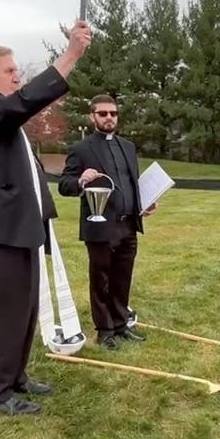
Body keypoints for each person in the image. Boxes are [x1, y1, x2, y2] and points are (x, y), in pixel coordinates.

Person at [0, 22, 92, 416]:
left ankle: (15, 377)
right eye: (9, 71)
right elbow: (22, 102)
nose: (17, 76)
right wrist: (70, 56)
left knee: (25, 308)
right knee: (6, 313)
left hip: (17, 230)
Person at [57, 94, 155, 351]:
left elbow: (132, 184)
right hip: (99, 225)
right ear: (93, 117)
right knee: (101, 280)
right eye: (103, 113)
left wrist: (144, 203)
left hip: (128, 225)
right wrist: (81, 180)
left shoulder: (128, 147)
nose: (109, 117)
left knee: (123, 278)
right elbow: (64, 185)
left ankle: (122, 325)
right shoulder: (82, 149)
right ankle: (105, 330)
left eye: (113, 113)